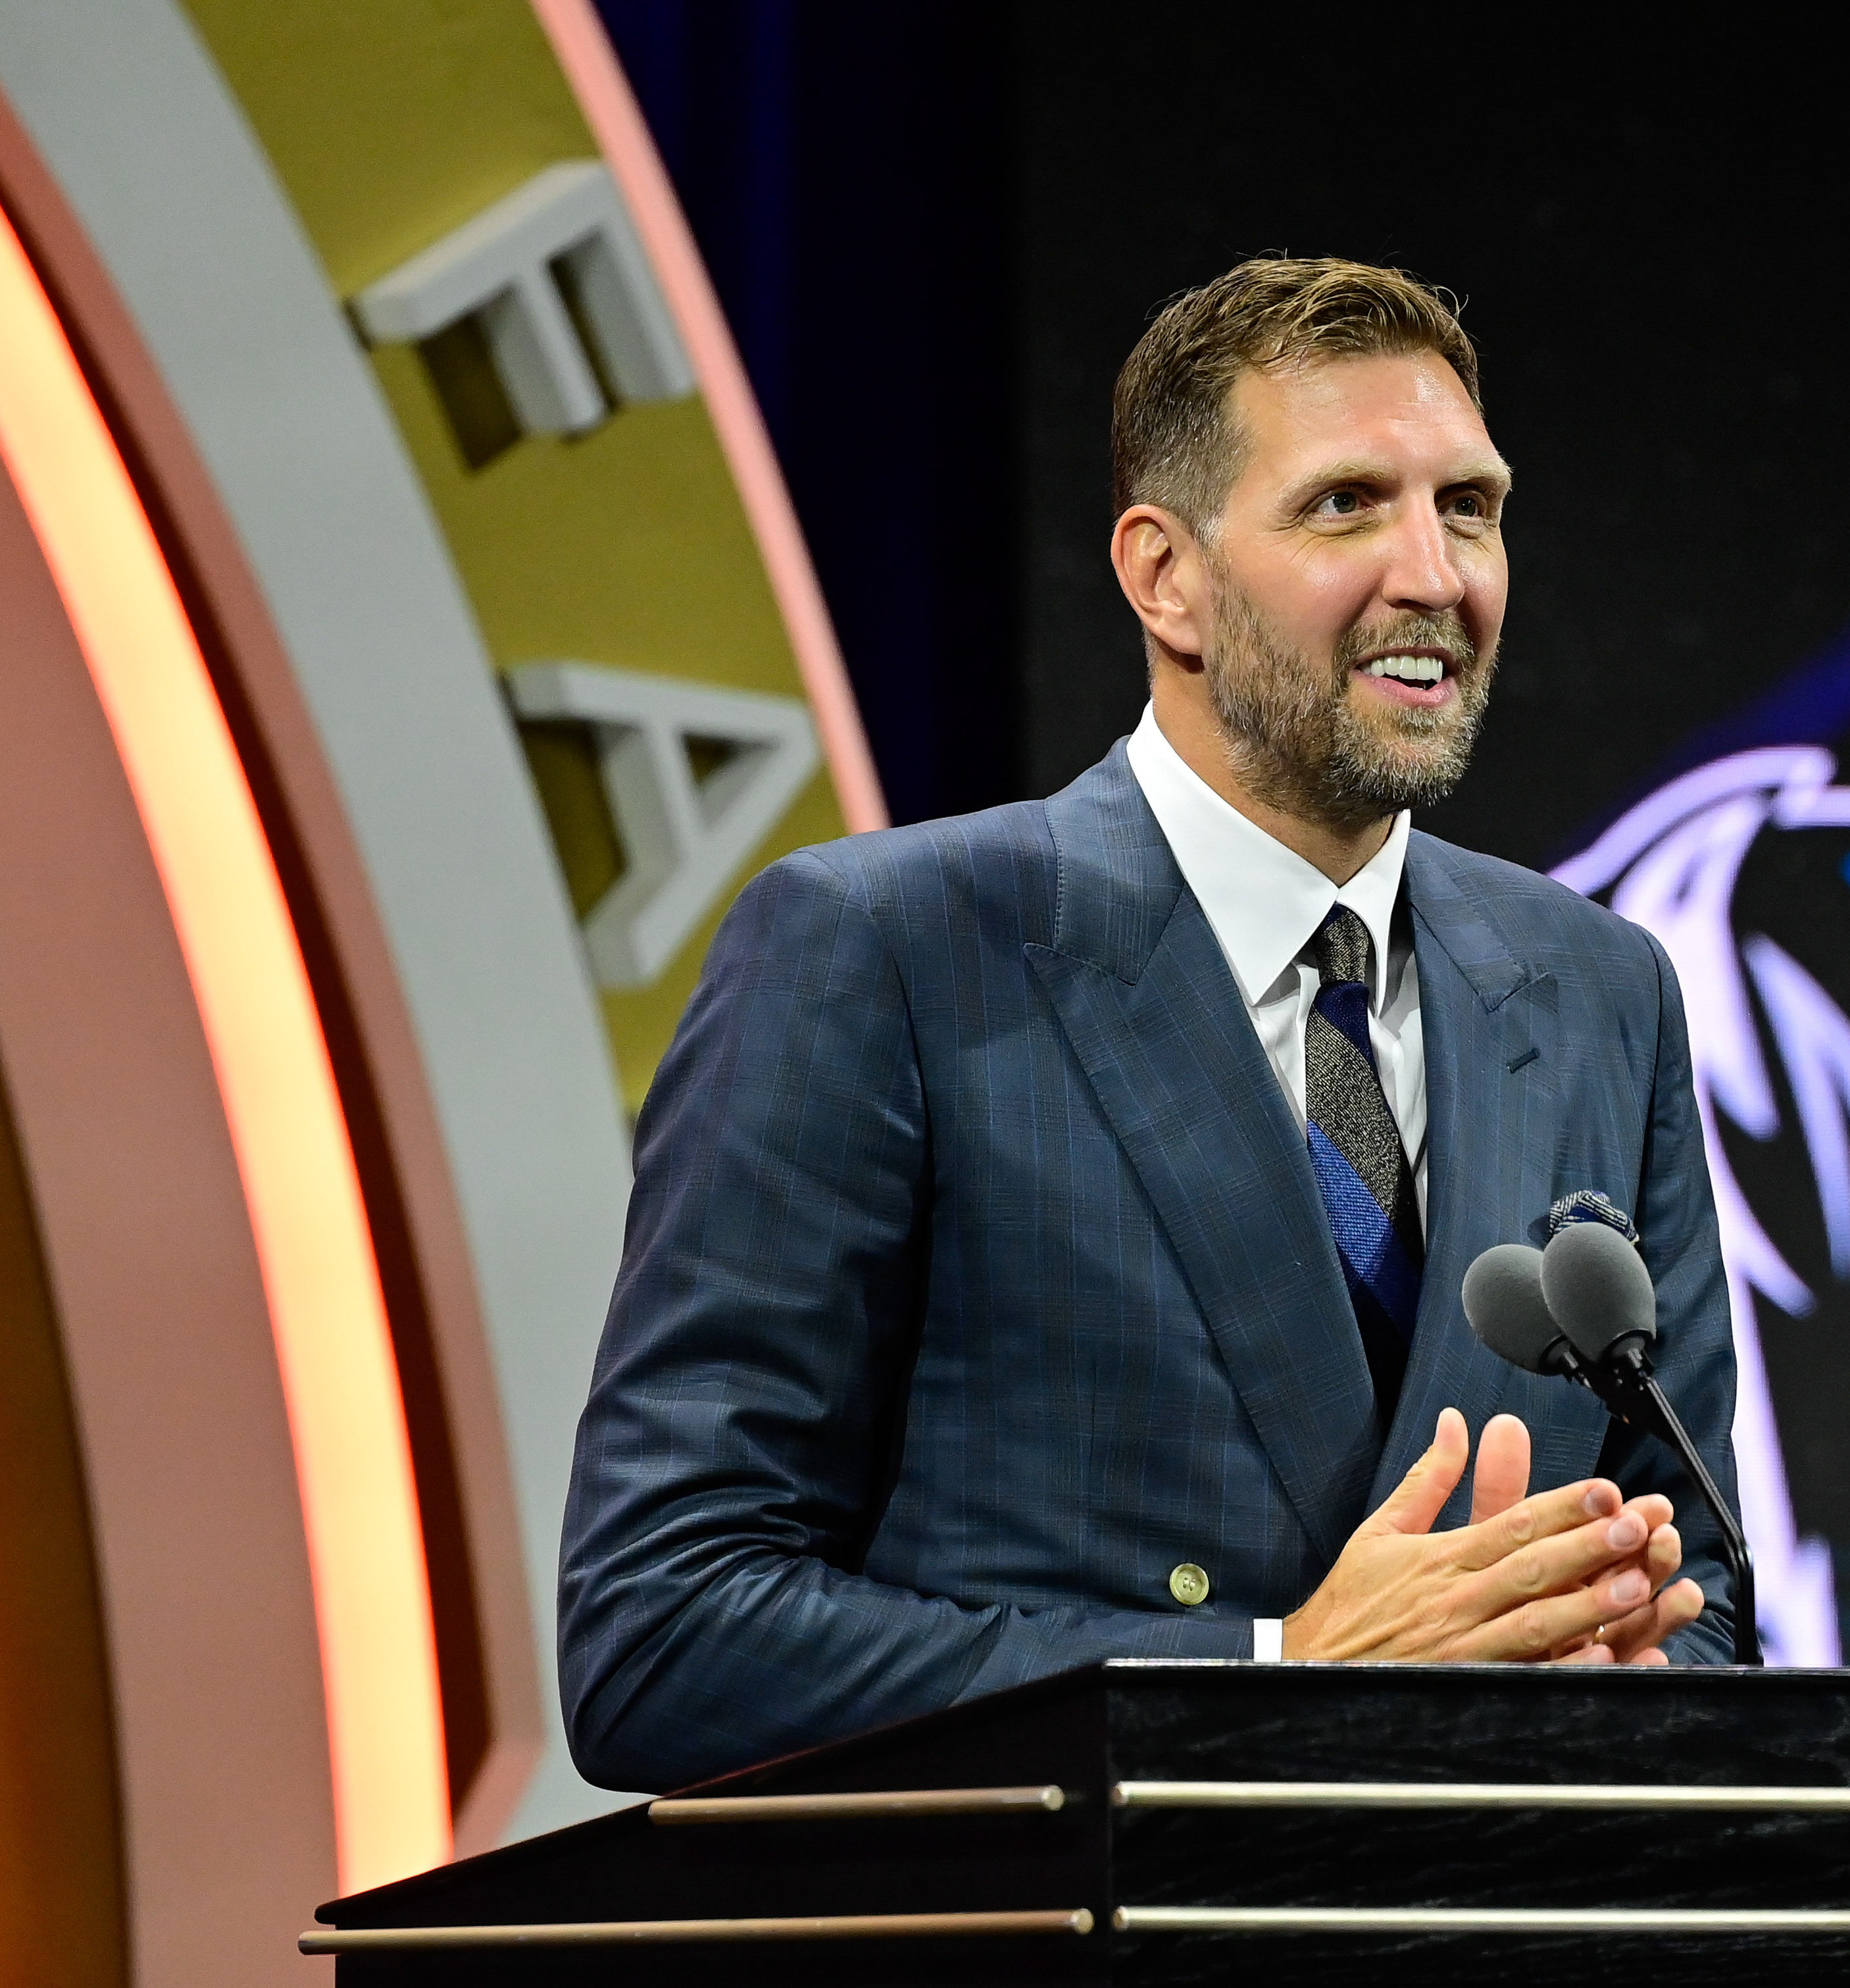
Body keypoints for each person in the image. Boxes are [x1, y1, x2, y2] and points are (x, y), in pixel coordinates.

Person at [556, 259, 1743, 1793]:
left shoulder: (1596, 987)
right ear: (1161, 574)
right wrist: (1272, 1675)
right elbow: (662, 1631)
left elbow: (1703, 1596)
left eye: (1467, 505)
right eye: (1344, 506)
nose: (1435, 573)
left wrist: (1610, 1667)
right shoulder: (888, 952)